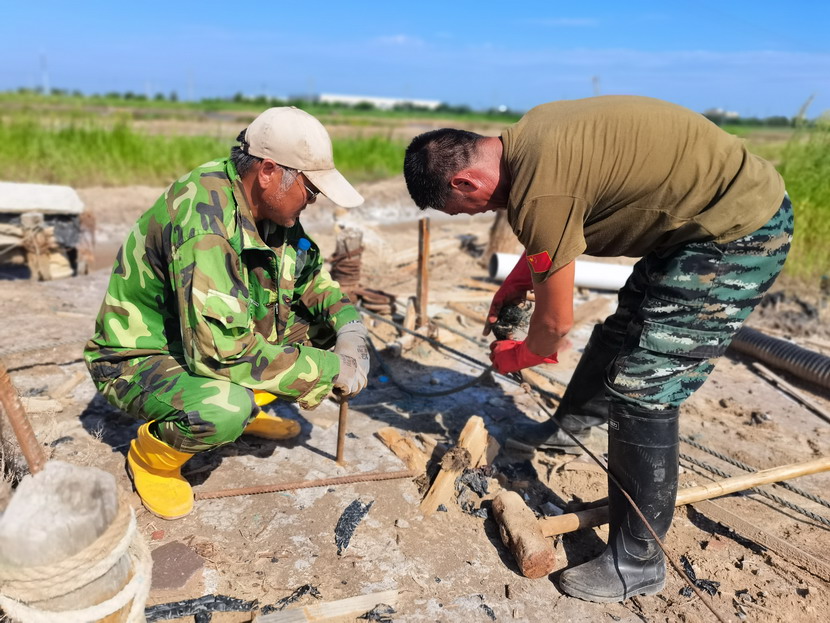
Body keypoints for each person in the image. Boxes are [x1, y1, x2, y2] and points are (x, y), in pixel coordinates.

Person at [403, 95, 792, 603]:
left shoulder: (540, 192)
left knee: (644, 386)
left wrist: (515, 357)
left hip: (737, 231)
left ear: (464, 182)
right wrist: (519, 281)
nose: (480, 214)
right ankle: (570, 431)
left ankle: (638, 561)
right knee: (621, 332)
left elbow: (554, 328)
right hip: (689, 228)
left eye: (467, 209)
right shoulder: (530, 137)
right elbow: (566, 220)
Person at [85, 107, 371, 521]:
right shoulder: (205, 225)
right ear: (269, 171)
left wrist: (350, 327)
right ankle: (153, 458)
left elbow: (310, 280)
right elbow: (223, 354)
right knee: (224, 409)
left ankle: (247, 406)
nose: (314, 200)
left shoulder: (270, 208)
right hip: (140, 356)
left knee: (321, 330)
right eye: (310, 189)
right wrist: (329, 371)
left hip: (204, 339)